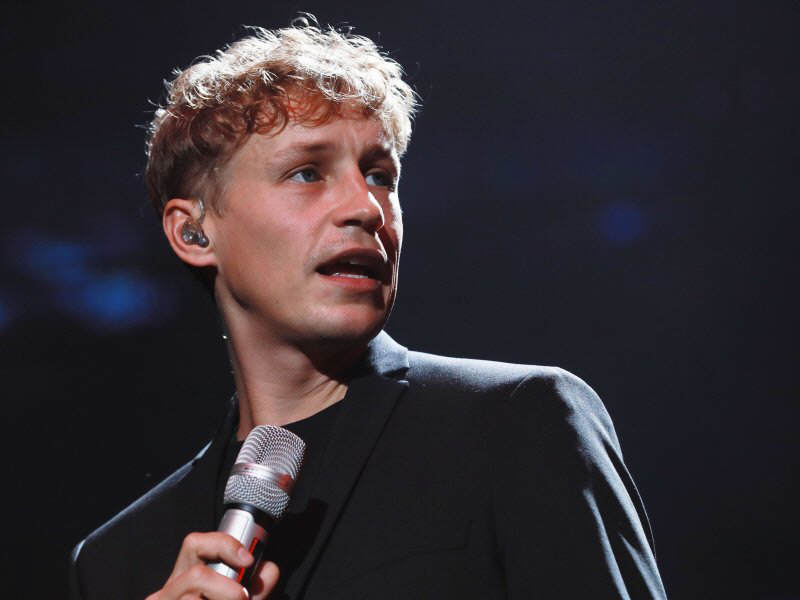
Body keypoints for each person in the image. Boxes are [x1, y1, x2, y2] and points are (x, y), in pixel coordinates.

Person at [69, 20, 667, 600]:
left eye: (380, 176)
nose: (367, 208)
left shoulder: (515, 423)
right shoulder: (121, 560)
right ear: (194, 233)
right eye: (307, 173)